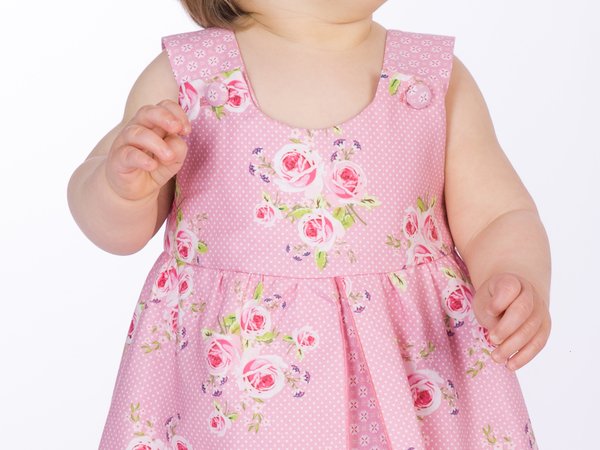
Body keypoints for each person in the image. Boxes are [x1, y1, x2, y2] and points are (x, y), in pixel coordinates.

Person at [67, 0, 551, 448]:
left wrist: (513, 275)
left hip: (414, 384)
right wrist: (120, 190)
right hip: (229, 403)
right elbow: (117, 231)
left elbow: (496, 215)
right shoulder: (189, 78)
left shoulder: (427, 79)